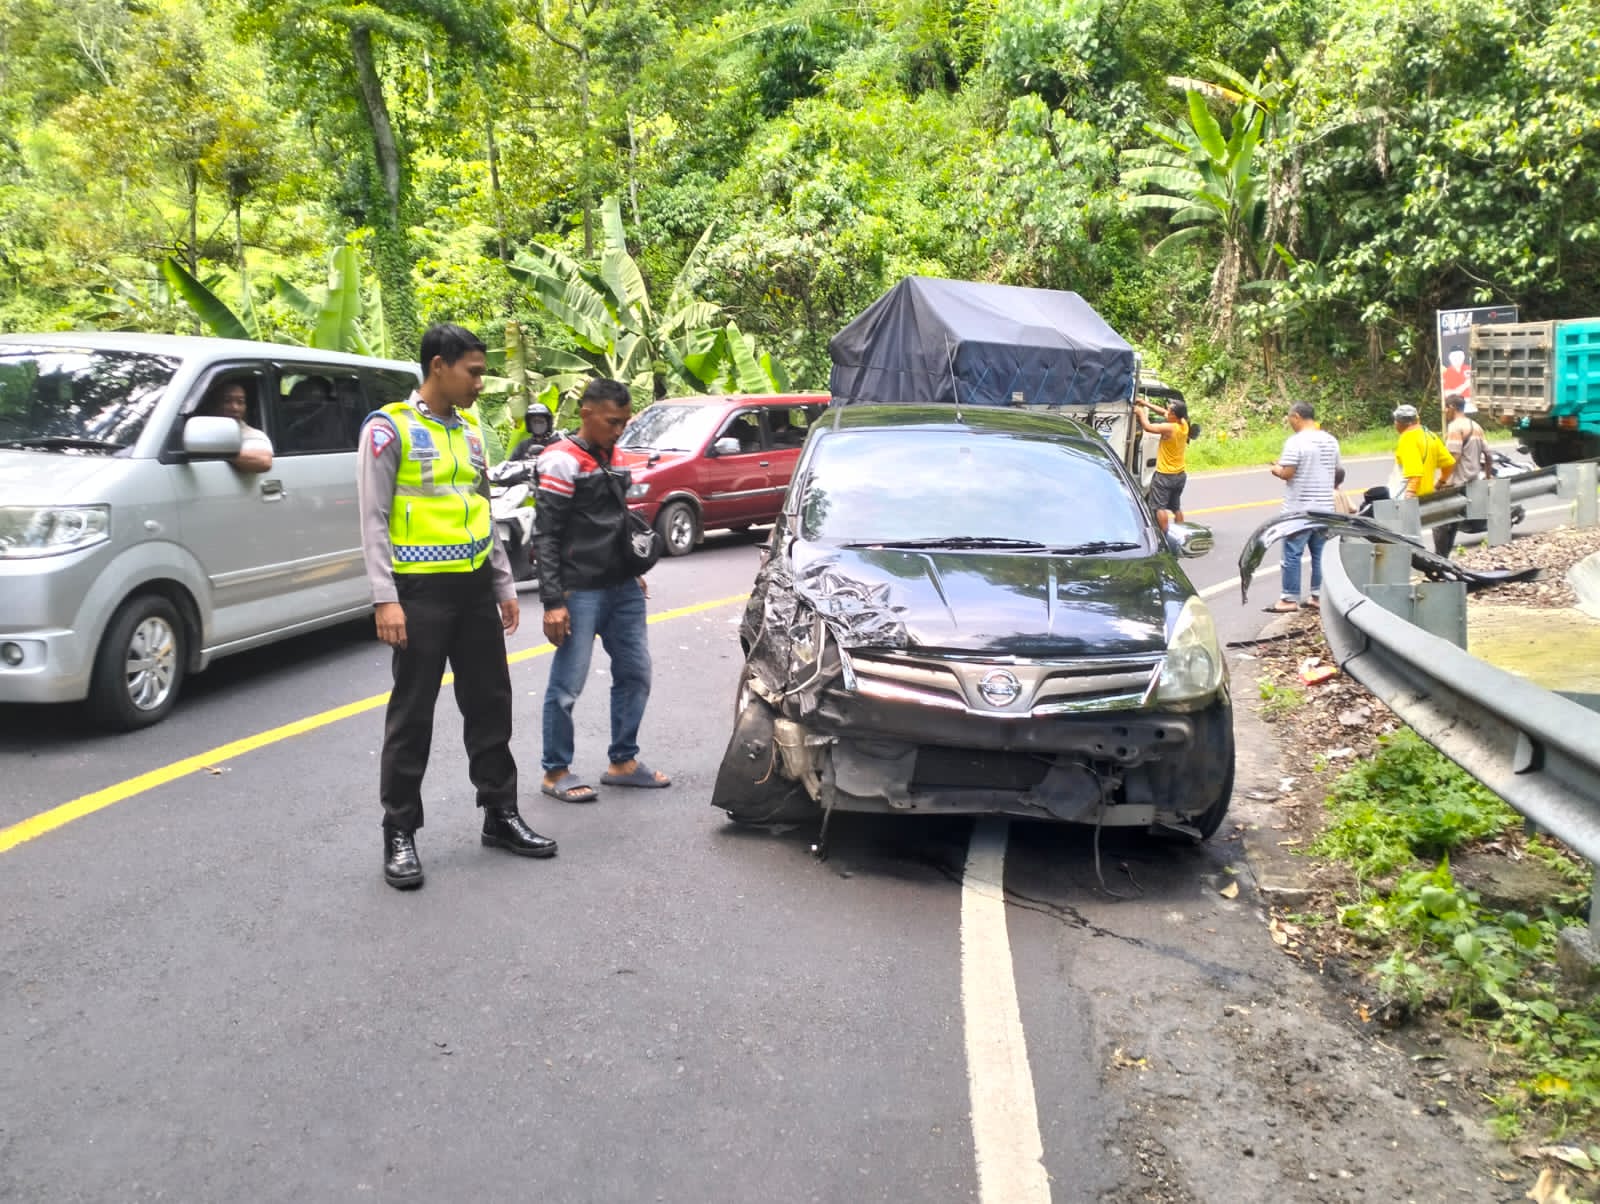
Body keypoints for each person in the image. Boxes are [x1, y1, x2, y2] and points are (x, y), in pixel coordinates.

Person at [356, 323, 557, 890]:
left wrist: (503, 585)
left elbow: (481, 509)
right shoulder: (389, 428)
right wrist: (385, 599)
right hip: (419, 592)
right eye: (473, 372)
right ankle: (399, 831)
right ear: (438, 366)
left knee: (491, 705)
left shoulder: (470, 433)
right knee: (412, 714)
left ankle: (500, 813)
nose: (480, 383)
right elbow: (373, 519)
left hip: (472, 589)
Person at [534, 377, 670, 803]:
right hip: (579, 590)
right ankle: (556, 771)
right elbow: (546, 534)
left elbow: (616, 518)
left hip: (621, 585)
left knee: (635, 672)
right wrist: (553, 601)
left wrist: (631, 568)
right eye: (612, 422)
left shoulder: (615, 455)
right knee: (568, 685)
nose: (619, 430)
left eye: (624, 422)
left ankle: (623, 762)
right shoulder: (560, 460)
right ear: (587, 413)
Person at [1267, 401, 1341, 612]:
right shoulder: (1331, 441)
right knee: (1320, 554)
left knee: (1292, 553)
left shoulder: (1296, 442)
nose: (1289, 422)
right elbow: (1336, 471)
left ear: (1296, 417)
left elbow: (1287, 473)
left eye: (1289, 418)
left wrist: (1276, 469)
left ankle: (1289, 599)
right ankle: (1318, 596)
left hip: (1299, 509)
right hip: (1324, 508)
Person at [1432, 396, 1495, 555]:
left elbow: (1454, 457)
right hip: (1472, 483)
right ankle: (1444, 559)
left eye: (1446, 408)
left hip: (1455, 484)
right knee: (1453, 523)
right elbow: (1488, 455)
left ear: (1452, 407)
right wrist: (1488, 477)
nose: (1445, 411)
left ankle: (1441, 559)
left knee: (1439, 523)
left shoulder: (1455, 427)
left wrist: (1441, 481)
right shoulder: (1476, 426)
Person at [1133, 397, 1189, 532]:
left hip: (1165, 475)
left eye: (1169, 411)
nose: (1166, 412)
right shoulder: (1184, 424)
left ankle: (1163, 536)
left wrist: (1140, 412)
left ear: (1174, 415)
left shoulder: (1169, 428)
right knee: (1176, 508)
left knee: (1159, 508)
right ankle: (1181, 534)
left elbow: (1148, 427)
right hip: (1180, 475)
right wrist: (1145, 404)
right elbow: (1162, 412)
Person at [198, 380, 273, 473]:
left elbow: (264, 461)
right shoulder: (199, 429)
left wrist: (215, 450)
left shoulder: (251, 434)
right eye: (227, 401)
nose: (235, 408)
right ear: (213, 405)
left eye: (240, 402)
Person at [1391, 404, 1455, 501]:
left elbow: (1415, 473)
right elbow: (1449, 463)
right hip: (1427, 496)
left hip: (1408, 498)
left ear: (1401, 423)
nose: (1394, 424)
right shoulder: (1431, 435)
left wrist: (1410, 494)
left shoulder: (1407, 439)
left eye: (1395, 421)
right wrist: (1441, 482)